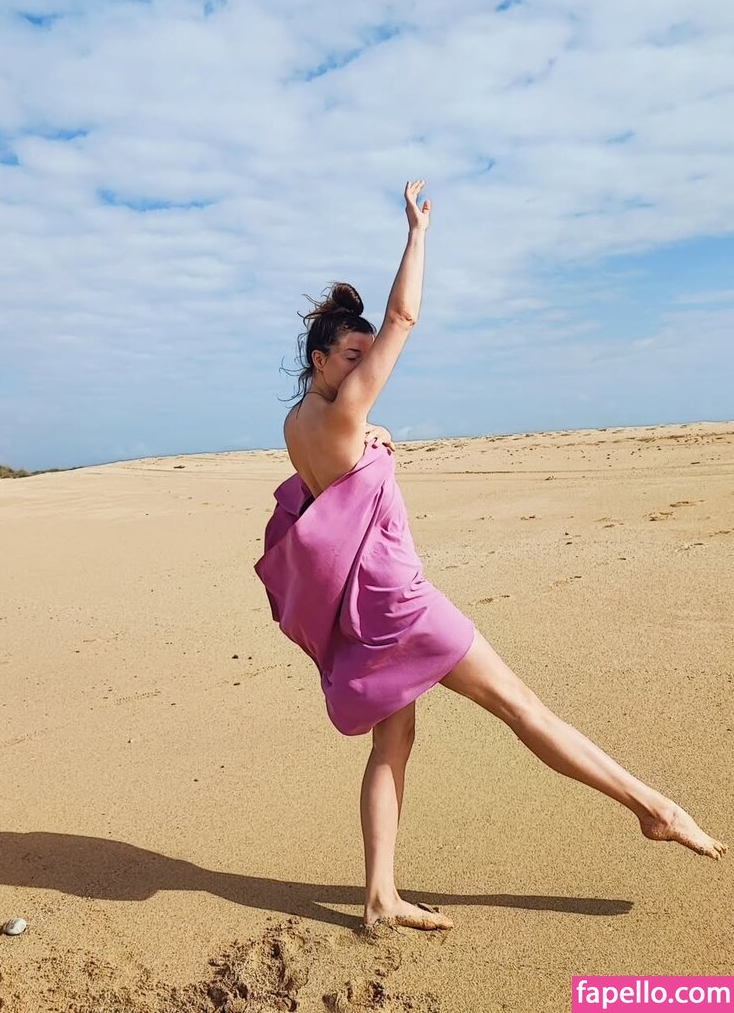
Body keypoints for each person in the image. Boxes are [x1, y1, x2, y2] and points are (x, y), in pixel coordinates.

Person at [254, 180, 727, 933]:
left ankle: (380, 896)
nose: (367, 366)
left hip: (360, 615)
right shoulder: (345, 415)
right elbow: (405, 316)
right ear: (321, 358)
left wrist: (368, 436)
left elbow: (327, 482)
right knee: (521, 707)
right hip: (401, 603)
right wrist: (417, 234)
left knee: (394, 740)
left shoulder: (298, 422)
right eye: (353, 355)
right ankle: (653, 808)